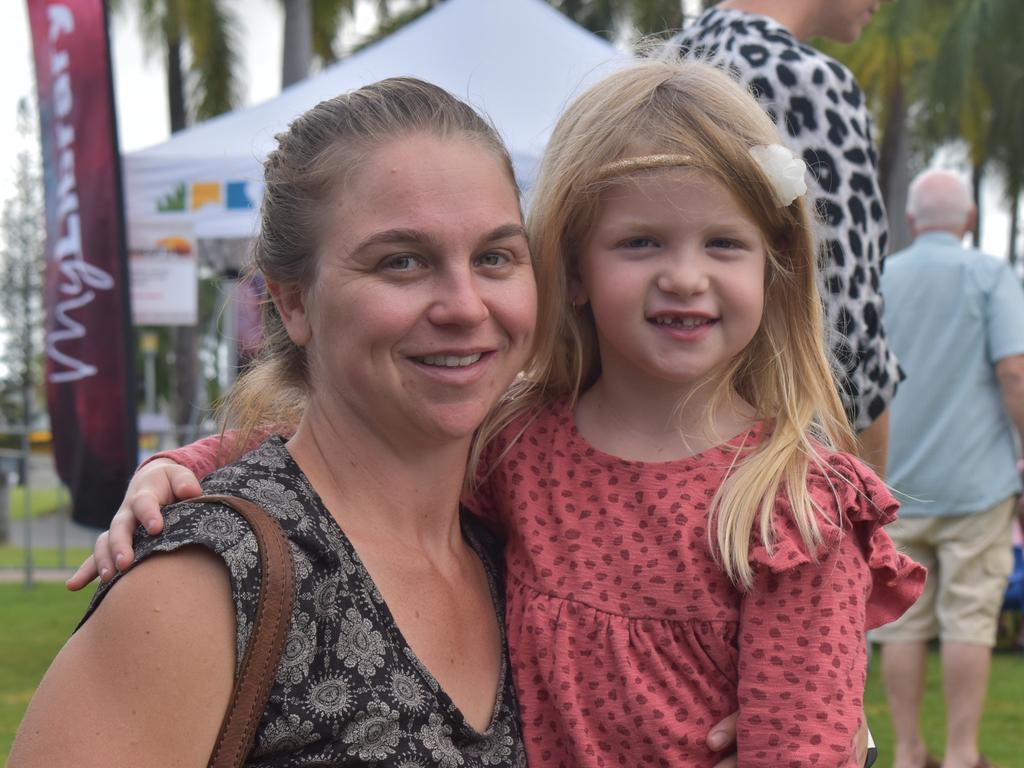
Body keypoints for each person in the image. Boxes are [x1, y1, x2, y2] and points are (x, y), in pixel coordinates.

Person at [65, 60, 923, 767]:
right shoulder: (517, 454)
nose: (464, 304)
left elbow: (805, 735)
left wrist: (849, 742)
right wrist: (187, 465)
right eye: (401, 261)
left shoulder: (776, 503)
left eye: (493, 257)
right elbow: (297, 457)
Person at [671, 0, 902, 475]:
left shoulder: (661, 65)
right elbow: (848, 330)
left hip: (649, 434)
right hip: (780, 464)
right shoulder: (809, 83)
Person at [872, 169, 1024, 768]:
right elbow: (1013, 372)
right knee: (969, 617)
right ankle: (962, 753)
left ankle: (910, 752)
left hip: (897, 484)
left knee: (902, 624)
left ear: (911, 222)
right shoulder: (990, 275)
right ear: (967, 221)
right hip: (976, 484)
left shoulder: (880, 278)